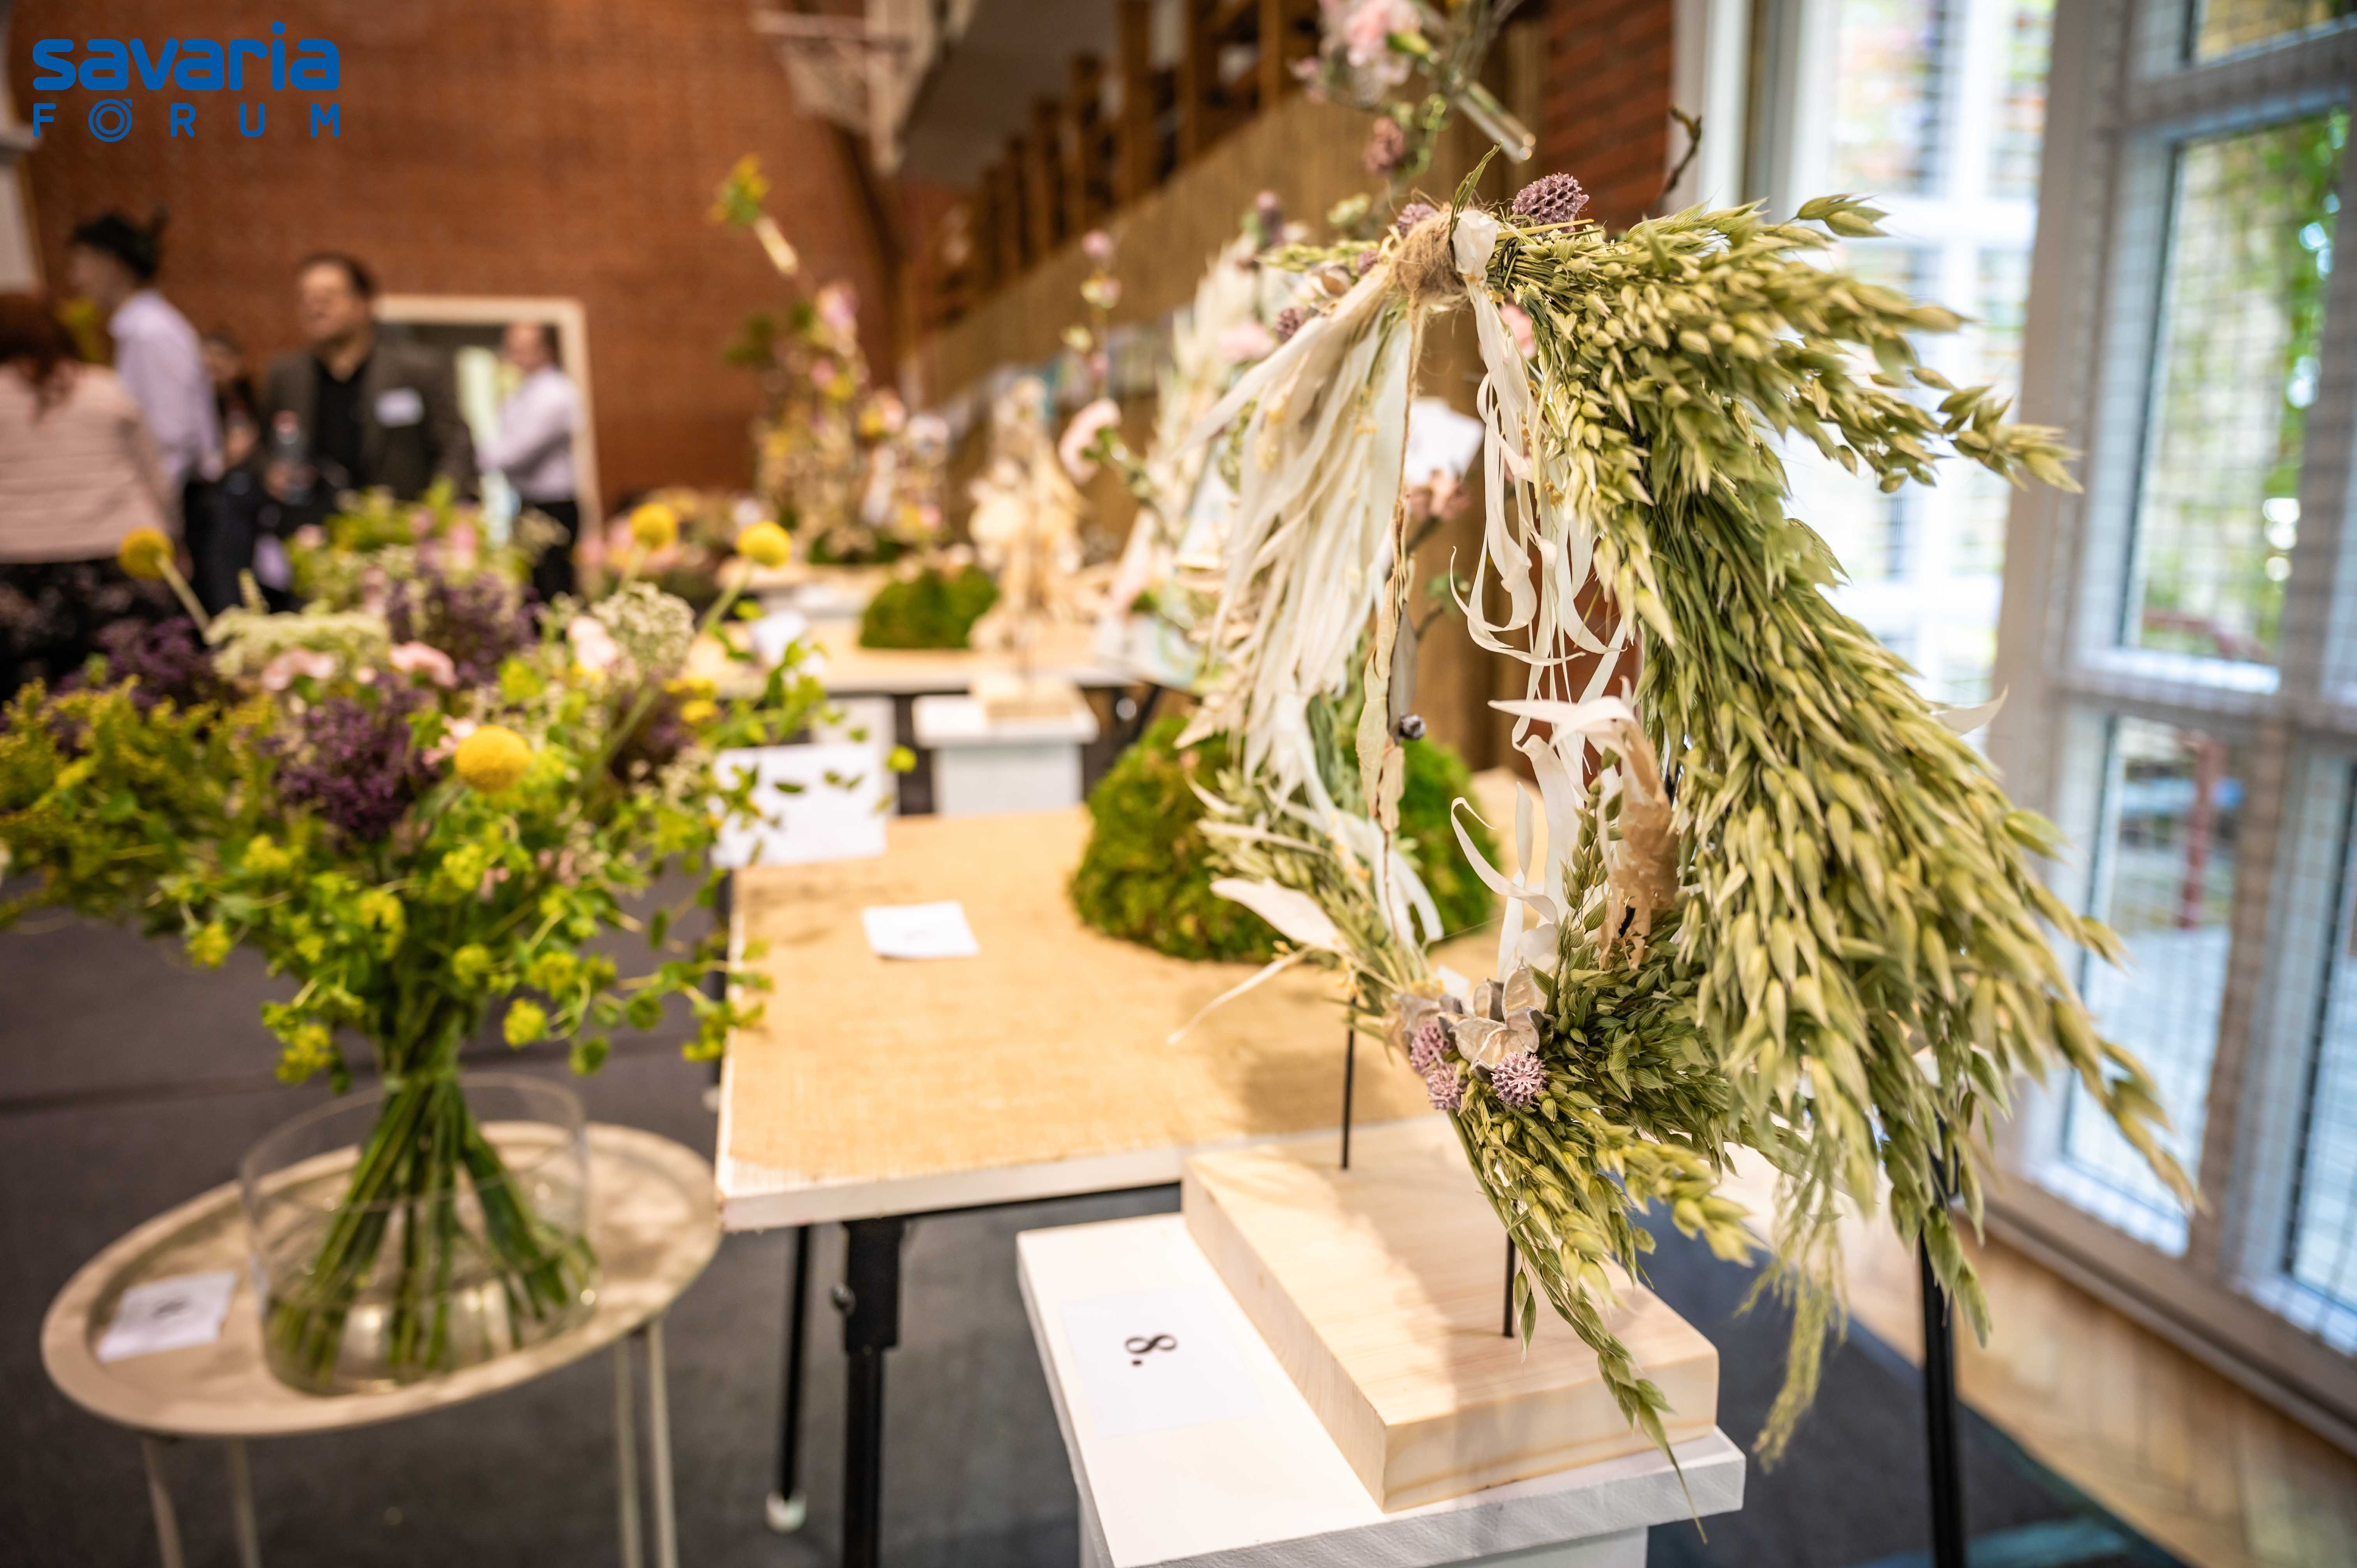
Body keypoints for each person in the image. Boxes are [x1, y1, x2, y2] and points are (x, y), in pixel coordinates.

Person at [0, 293, 176, 699]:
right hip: (117, 557)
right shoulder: (106, 388)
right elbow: (155, 478)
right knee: (136, 692)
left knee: (32, 707)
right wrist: (171, 541)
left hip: (17, 568)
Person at [65, 211, 225, 606]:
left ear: (112, 263)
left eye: (81, 263)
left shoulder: (150, 332)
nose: (75, 279)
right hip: (178, 500)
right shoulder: (140, 329)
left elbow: (172, 439)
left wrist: (161, 527)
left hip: (186, 503)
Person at [258, 253, 476, 503]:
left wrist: (439, 504)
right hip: (310, 519)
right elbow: (262, 446)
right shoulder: (286, 375)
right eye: (306, 298)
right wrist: (270, 470)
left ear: (364, 304)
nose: (315, 307)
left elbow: (456, 446)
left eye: (328, 297)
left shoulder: (418, 370)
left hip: (397, 519)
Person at [479, 321, 583, 602]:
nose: (514, 356)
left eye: (522, 348)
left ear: (546, 350)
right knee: (532, 588)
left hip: (553, 505)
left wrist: (475, 459)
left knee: (554, 590)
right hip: (530, 502)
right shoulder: (524, 391)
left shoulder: (555, 394)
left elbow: (516, 453)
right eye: (511, 348)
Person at [202, 328, 261, 470]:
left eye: (221, 355)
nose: (214, 362)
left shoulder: (248, 394)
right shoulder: (198, 402)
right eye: (209, 355)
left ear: (237, 362)